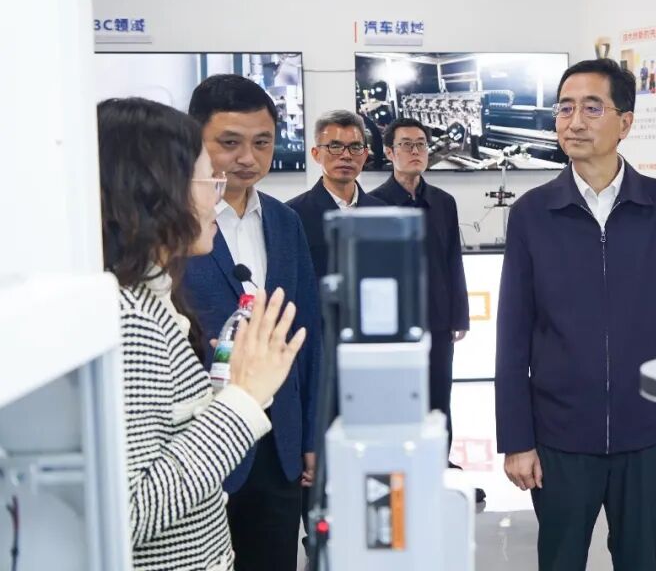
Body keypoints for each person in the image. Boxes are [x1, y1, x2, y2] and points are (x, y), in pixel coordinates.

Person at [496, 58, 656, 571]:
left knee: (638, 559)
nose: (574, 121)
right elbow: (513, 334)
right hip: (559, 436)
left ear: (625, 123)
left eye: (591, 108)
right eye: (565, 108)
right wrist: (517, 440)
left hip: (644, 435)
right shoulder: (533, 213)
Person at [97, 97, 306, 571]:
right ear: (157, 191)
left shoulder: (151, 299)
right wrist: (243, 400)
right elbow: (127, 514)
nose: (218, 195)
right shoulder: (130, 321)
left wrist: (227, 389)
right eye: (208, 179)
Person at [183, 74, 323, 571]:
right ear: (195, 141)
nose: (248, 157)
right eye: (229, 143)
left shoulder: (285, 222)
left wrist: (311, 438)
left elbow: (308, 335)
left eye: (262, 143)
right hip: (199, 445)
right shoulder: (177, 225)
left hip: (279, 440)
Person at [369, 118, 483, 503]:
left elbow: (453, 261)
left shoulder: (444, 203)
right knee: (397, 399)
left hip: (437, 320)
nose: (415, 151)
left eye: (421, 144)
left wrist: (459, 315)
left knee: (439, 397)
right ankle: (400, 474)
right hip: (394, 327)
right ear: (389, 152)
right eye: (406, 144)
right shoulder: (373, 204)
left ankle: (438, 469)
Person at [287, 110, 385, 280]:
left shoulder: (382, 213)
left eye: (355, 147)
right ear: (316, 154)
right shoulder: (292, 215)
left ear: (364, 155)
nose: (346, 155)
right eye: (335, 147)